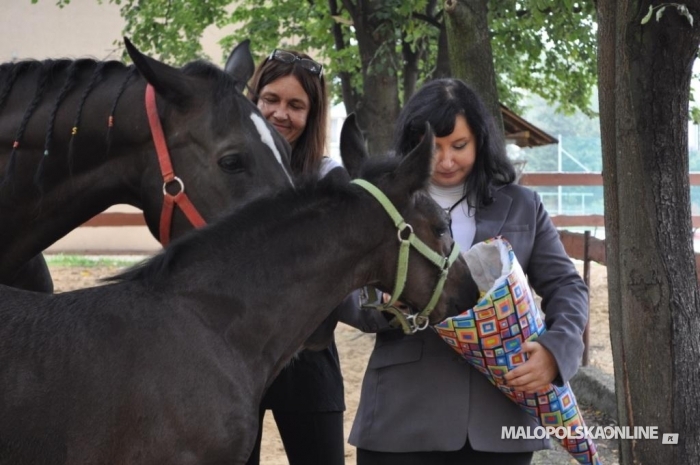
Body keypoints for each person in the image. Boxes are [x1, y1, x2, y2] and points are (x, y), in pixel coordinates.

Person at [347, 78, 589, 465]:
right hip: (401, 418)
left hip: (499, 420)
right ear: (413, 145)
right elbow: (346, 288)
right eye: (434, 148)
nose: (445, 161)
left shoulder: (523, 205)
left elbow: (567, 286)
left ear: (480, 140)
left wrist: (555, 351)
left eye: (459, 146)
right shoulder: (384, 204)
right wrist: (380, 306)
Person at [245, 48, 348, 465]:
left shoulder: (329, 180)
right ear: (253, 99)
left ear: (313, 114)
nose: (280, 113)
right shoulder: (222, 177)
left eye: (295, 105)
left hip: (309, 354)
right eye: (270, 99)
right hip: (233, 358)